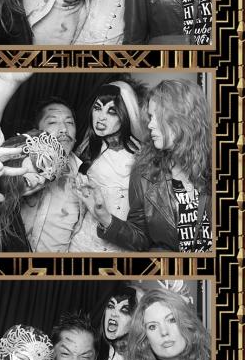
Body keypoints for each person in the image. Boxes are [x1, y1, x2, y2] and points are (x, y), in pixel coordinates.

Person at [77, 79, 212, 252]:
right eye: (150, 117)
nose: (150, 124)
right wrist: (105, 217)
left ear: (184, 118)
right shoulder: (144, 172)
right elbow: (141, 238)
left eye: (158, 117)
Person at [0, 72, 82, 252]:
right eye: (53, 122)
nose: (64, 129)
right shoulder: (11, 157)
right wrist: (6, 80)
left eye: (70, 122)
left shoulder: (83, 181)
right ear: (36, 131)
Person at [69, 80, 143, 254]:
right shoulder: (86, 148)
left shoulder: (141, 156)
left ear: (125, 115)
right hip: (81, 245)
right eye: (97, 108)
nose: (101, 117)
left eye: (112, 111)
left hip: (122, 246)